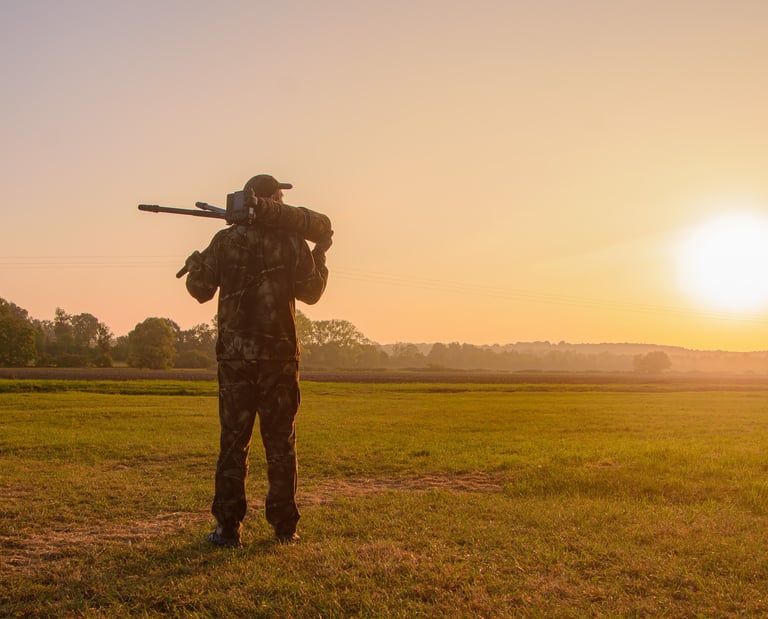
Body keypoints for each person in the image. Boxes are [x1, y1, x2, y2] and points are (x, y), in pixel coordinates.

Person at [183, 174, 331, 546]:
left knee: (233, 444)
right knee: (281, 444)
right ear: (274, 201)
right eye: (280, 197)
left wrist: (196, 264)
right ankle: (285, 529)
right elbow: (312, 293)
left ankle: (227, 529)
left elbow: (200, 290)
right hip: (280, 359)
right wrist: (320, 257)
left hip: (234, 359)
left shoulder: (225, 240)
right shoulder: (292, 242)